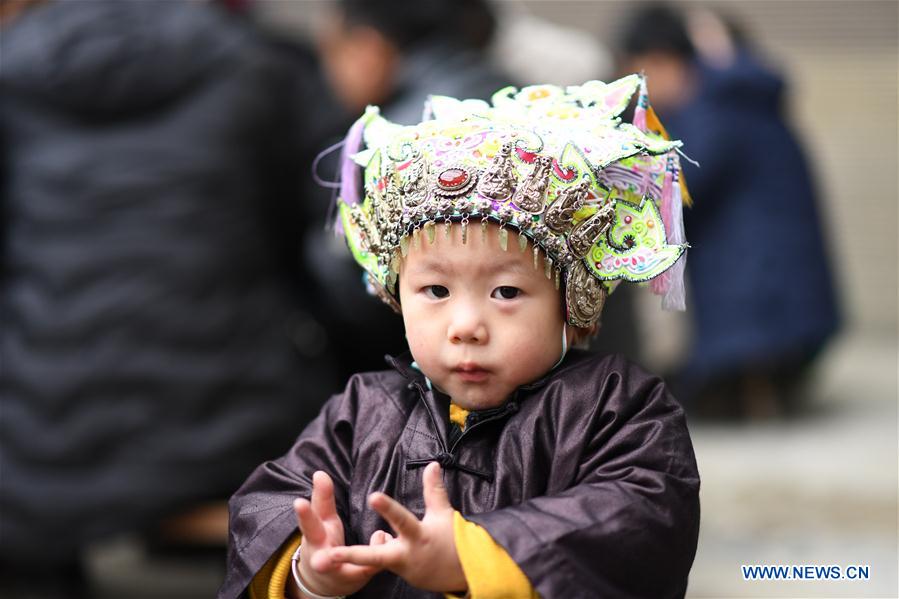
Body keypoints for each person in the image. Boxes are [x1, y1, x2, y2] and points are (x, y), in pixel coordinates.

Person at [219, 77, 700, 599]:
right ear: (395, 294)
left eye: (507, 291)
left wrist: (474, 557)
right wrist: (308, 571)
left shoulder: (614, 407)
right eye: (435, 289)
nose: (466, 325)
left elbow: (639, 515)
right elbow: (272, 500)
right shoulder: (362, 412)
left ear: (573, 304)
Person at [0, 1, 336, 596]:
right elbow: (333, 238)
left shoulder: (12, 69)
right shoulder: (261, 66)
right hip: (235, 429)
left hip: (34, 444)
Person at [617, 4, 840, 419]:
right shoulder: (742, 98)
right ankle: (761, 393)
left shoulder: (714, 108)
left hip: (757, 279)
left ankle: (754, 397)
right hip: (776, 271)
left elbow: (678, 186)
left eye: (642, 71)